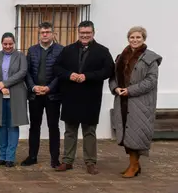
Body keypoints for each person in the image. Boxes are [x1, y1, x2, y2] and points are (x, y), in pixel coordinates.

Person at [54, 21, 114, 175]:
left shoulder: (102, 51)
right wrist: (70, 75)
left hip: (90, 97)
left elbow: (108, 71)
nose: (85, 35)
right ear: (78, 32)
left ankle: (90, 162)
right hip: (71, 96)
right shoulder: (68, 50)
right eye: (82, 33)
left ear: (93, 33)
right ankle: (67, 161)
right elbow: (57, 68)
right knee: (70, 131)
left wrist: (87, 76)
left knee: (89, 131)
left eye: (88, 33)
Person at [109, 26, 162, 178]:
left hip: (140, 103)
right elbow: (112, 77)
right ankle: (134, 165)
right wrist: (116, 88)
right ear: (128, 38)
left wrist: (130, 90)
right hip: (122, 102)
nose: (135, 40)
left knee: (136, 135)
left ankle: (134, 166)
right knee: (126, 135)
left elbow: (151, 81)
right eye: (132, 37)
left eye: (138, 37)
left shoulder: (150, 58)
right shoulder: (121, 57)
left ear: (144, 39)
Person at [21, 22, 64, 168]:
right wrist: (33, 87)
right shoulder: (32, 50)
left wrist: (49, 88)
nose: (45, 34)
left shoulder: (60, 50)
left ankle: (55, 159)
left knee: (53, 126)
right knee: (34, 126)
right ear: (39, 34)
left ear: (53, 34)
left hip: (53, 95)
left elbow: (61, 73)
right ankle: (32, 156)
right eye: (42, 32)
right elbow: (26, 72)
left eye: (47, 32)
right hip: (35, 95)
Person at [0, 33, 28, 167]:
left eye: (10, 44)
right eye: (5, 44)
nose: (8, 46)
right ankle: (1, 156)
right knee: (1, 125)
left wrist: (5, 84)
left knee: (13, 125)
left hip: (16, 94)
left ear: (14, 43)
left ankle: (10, 157)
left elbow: (22, 72)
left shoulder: (21, 56)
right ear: (1, 43)